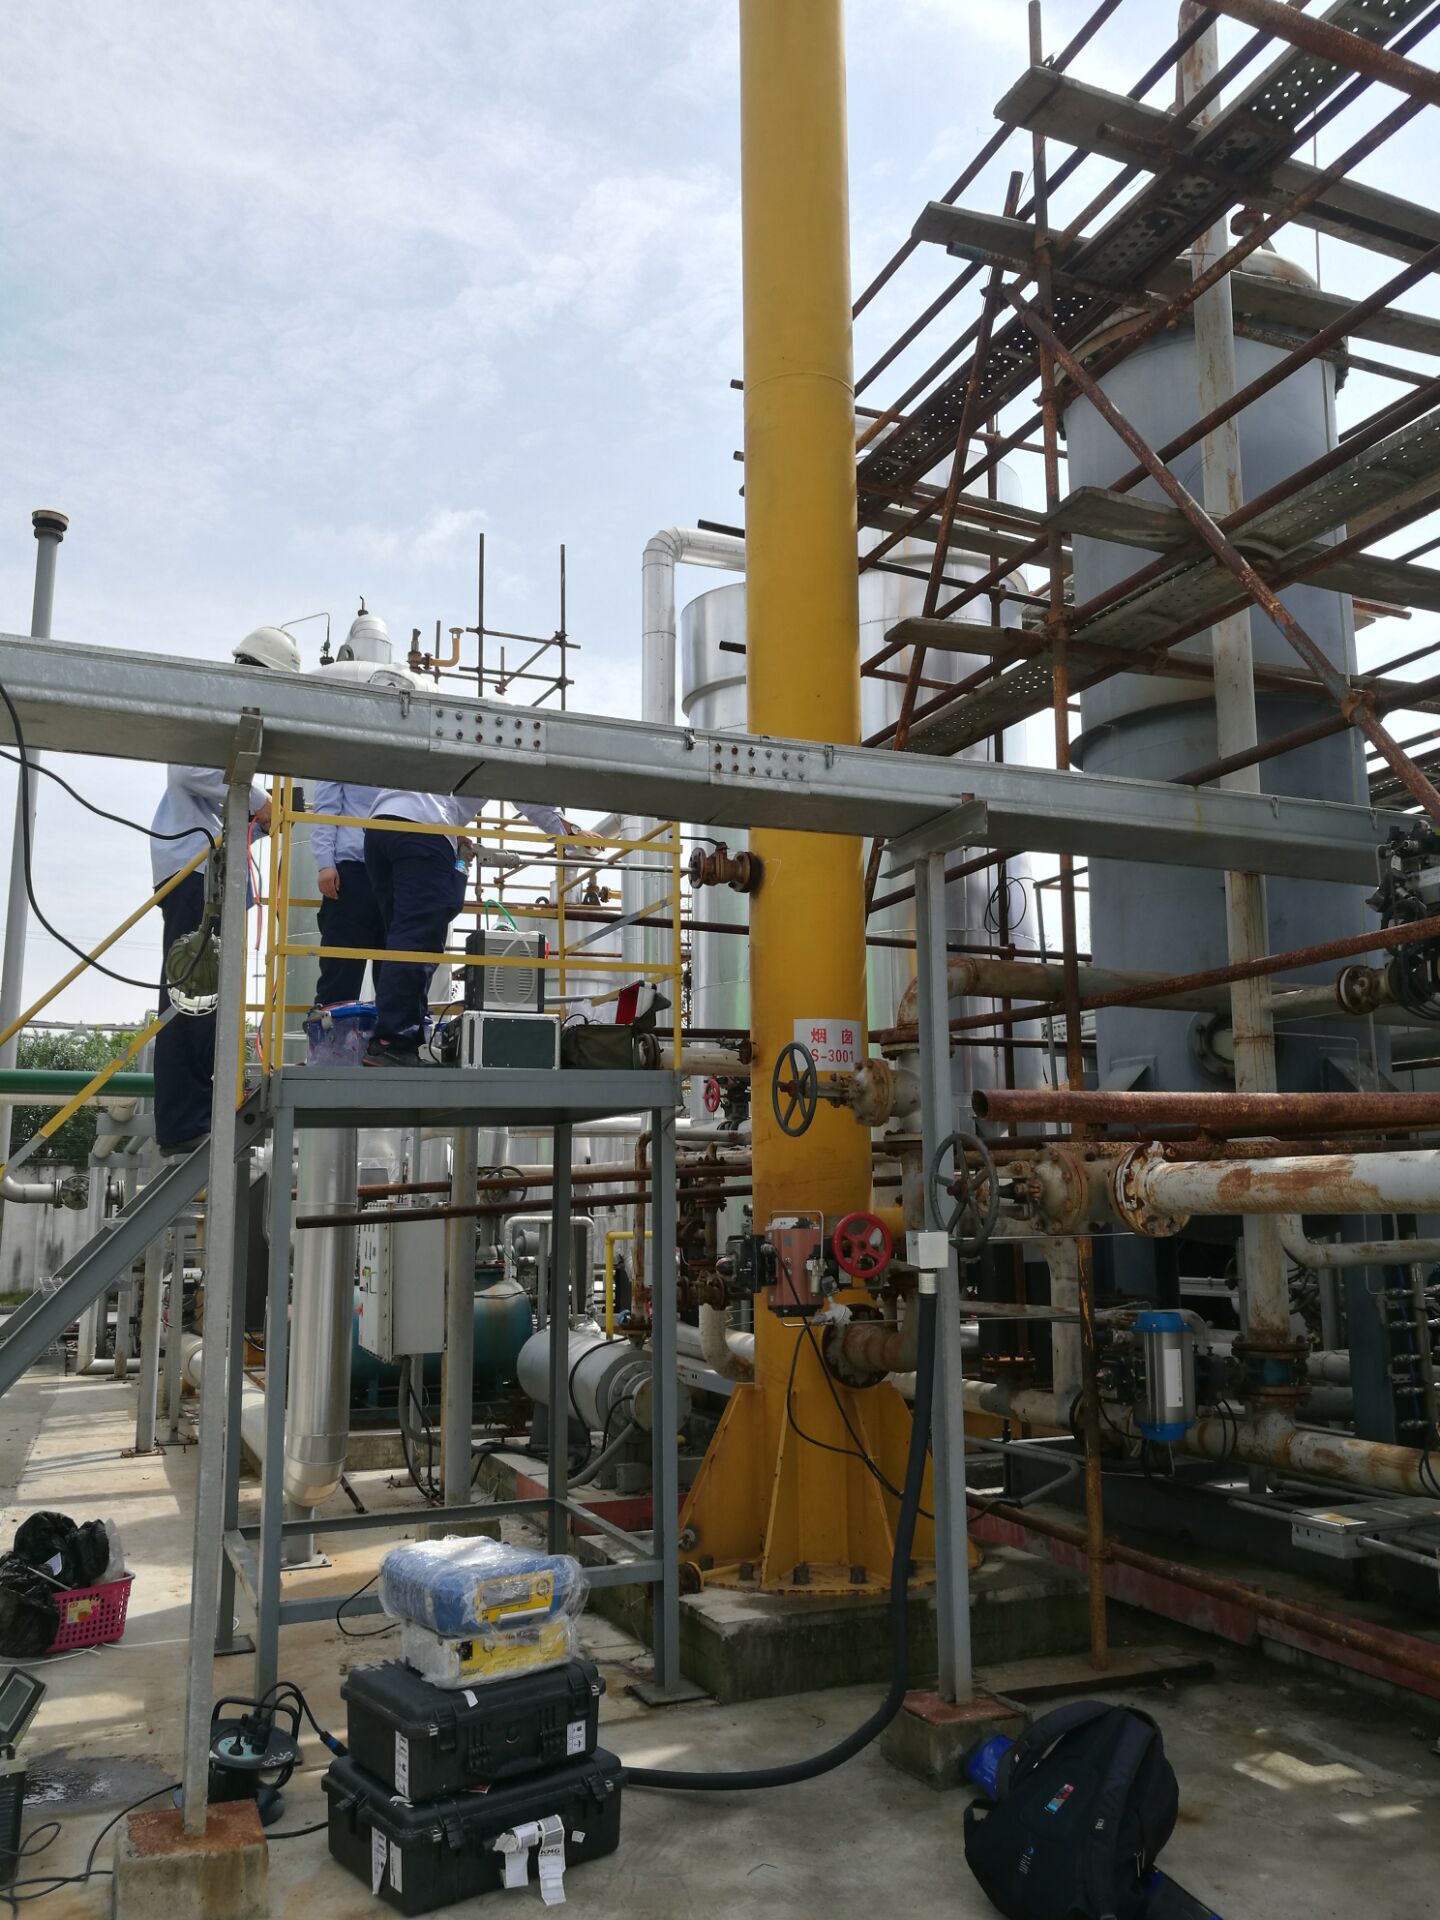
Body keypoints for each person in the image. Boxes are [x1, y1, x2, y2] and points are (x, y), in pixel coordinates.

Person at [151, 625, 301, 1151]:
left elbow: (227, 807)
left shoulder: (227, 717)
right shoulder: (210, 704)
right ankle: (184, 1122)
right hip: (193, 870)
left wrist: (259, 821)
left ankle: (201, 1111)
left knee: (210, 1000)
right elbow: (189, 771)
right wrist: (260, 799)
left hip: (208, 870)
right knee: (193, 996)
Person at [362, 790, 578, 1066]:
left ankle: (395, 1040)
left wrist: (452, 837)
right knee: (416, 941)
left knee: (397, 938)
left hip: (380, 826)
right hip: (423, 828)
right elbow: (518, 786)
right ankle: (393, 1041)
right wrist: (569, 832)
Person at [310, 779, 385, 1006]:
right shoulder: (341, 759)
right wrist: (325, 863)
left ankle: (393, 1029)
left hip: (396, 872)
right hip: (353, 871)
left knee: (395, 974)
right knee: (341, 971)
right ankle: (333, 1027)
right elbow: (326, 808)